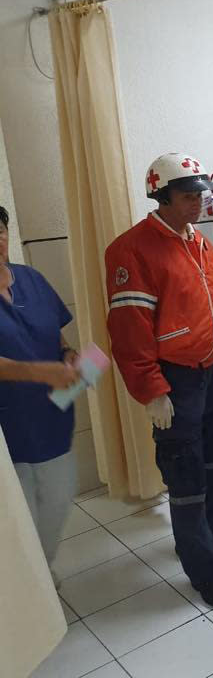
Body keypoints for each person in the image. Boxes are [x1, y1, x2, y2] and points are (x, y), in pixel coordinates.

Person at [104, 153, 213, 609]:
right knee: (185, 474)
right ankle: (203, 571)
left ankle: (209, 531)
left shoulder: (200, 244)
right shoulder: (132, 250)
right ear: (160, 196)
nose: (197, 204)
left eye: (200, 194)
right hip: (174, 381)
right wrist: (152, 390)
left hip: (210, 376)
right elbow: (129, 330)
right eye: (187, 196)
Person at [0, 204, 80, 578]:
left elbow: (54, 328)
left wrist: (68, 355)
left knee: (56, 506)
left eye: (1, 230)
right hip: (7, 427)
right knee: (17, 520)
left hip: (51, 416)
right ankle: (29, 590)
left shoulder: (30, 278)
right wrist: (37, 372)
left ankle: (41, 574)